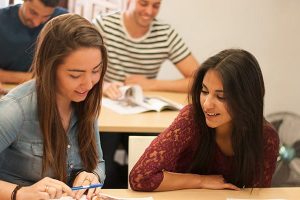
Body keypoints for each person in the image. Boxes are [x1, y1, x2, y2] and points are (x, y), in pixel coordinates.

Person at [129, 49, 280, 191]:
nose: (207, 104)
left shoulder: (266, 137)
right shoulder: (191, 118)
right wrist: (201, 181)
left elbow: (258, 193)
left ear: (246, 98)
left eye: (221, 97)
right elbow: (140, 178)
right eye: (204, 91)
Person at [93, 0, 199, 188]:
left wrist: (151, 83)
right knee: (101, 165)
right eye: (143, 3)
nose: (149, 11)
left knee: (149, 163)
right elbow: (79, 64)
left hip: (140, 112)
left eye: (156, 5)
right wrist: (102, 84)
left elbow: (197, 79)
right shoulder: (103, 25)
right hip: (106, 111)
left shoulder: (165, 33)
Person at [0, 13, 107, 200]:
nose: (89, 84)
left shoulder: (84, 100)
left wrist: (92, 176)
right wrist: (21, 192)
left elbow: (97, 161)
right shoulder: (15, 110)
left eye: (96, 71)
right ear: (49, 68)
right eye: (75, 75)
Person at [0, 0, 67, 84]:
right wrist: (33, 78)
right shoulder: (2, 20)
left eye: (46, 16)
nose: (36, 23)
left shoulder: (62, 21)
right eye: (33, 13)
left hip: (45, 89)